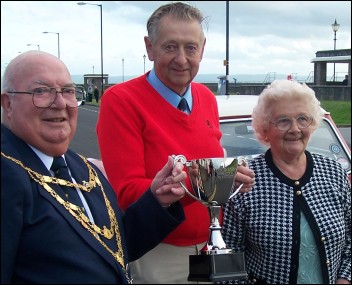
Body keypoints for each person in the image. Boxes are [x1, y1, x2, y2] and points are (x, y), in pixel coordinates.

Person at [96, 2, 255, 283]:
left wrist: (230, 179)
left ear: (202, 49)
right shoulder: (121, 101)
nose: (181, 59)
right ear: (150, 47)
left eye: (190, 48)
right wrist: (203, 182)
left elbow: (211, 170)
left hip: (210, 245)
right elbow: (127, 192)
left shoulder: (206, 98)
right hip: (159, 251)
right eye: (170, 46)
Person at [1, 50, 188, 284]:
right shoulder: (7, 172)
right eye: (41, 91)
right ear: (7, 104)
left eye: (68, 91)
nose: (60, 103)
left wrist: (158, 200)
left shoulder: (80, 167)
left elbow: (113, 249)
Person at [221, 79, 351, 284]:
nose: (295, 129)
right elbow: (227, 258)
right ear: (265, 129)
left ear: (313, 123)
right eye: (283, 121)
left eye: (302, 119)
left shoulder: (333, 171)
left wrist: (345, 279)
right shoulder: (244, 179)